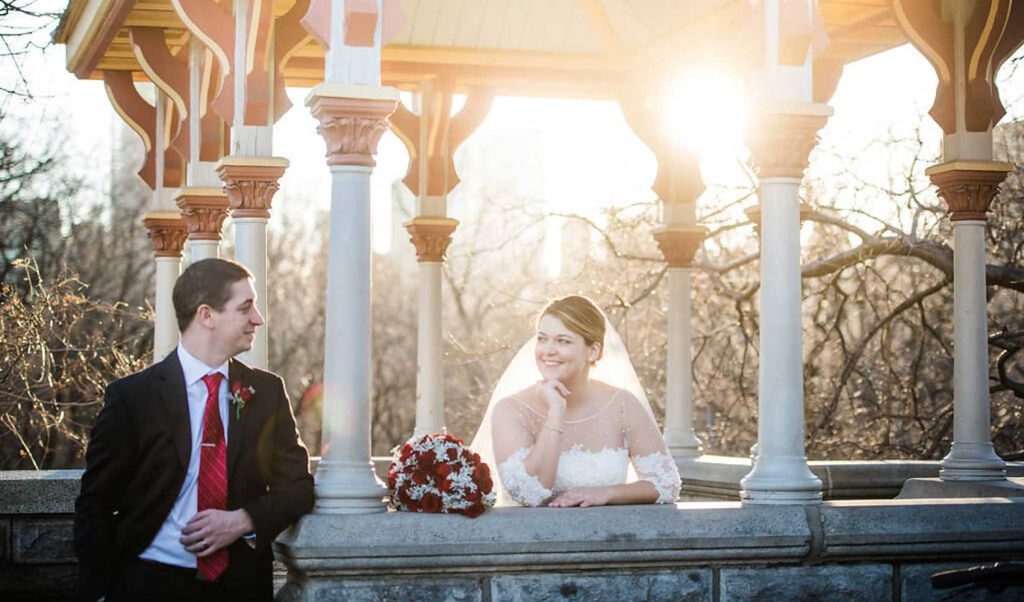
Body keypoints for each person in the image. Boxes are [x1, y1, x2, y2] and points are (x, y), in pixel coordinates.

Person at [74, 258, 314, 602]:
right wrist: (98, 591)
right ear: (206, 316)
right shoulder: (133, 398)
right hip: (148, 584)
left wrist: (243, 520)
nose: (258, 319)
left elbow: (298, 488)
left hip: (239, 587)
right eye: (245, 307)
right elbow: (95, 504)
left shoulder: (267, 392)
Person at [472, 295, 680, 507]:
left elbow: (666, 483)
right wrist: (555, 413)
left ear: (593, 351)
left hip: (608, 535)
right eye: (542, 338)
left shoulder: (623, 404)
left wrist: (606, 493)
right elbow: (530, 493)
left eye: (563, 341)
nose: (548, 350)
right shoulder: (510, 410)